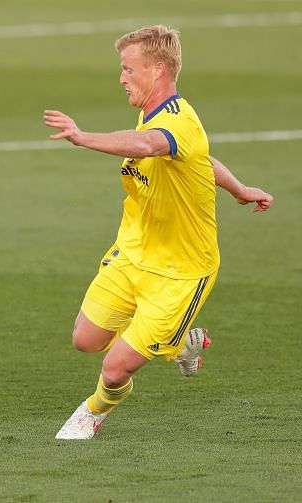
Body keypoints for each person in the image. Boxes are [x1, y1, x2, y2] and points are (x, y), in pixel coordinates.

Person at [43, 25, 273, 440]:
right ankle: (182, 340)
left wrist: (83, 137)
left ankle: (92, 413)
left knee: (114, 368)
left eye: (129, 69)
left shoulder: (179, 122)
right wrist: (239, 189)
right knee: (85, 339)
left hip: (182, 271)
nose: (122, 77)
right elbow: (200, 161)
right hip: (134, 253)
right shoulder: (154, 114)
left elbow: (149, 146)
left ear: (158, 70)